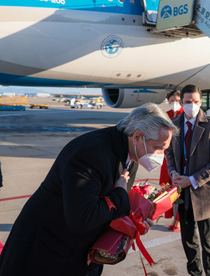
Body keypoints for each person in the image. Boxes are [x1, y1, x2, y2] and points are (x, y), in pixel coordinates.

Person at [0, 103, 178, 276]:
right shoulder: (91, 153)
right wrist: (120, 196)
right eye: (158, 148)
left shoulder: (129, 151)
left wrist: (134, 221)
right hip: (47, 253)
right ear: (138, 136)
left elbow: (110, 203)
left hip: (80, 253)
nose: (160, 155)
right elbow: (82, 218)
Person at [166, 84, 210, 276]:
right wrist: (173, 172)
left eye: (195, 102)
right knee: (188, 242)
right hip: (182, 194)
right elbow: (169, 154)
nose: (191, 105)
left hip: (204, 194)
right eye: (187, 102)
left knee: (208, 243)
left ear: (201, 102)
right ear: (181, 102)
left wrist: (192, 179)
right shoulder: (174, 124)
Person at [160, 90, 183, 232]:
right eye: (172, 100)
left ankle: (178, 219)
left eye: (178, 100)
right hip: (167, 156)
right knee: (167, 187)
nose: (175, 103)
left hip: (179, 156)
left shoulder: (183, 115)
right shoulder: (166, 115)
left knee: (178, 189)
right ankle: (172, 215)